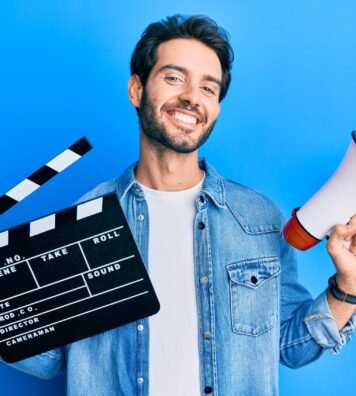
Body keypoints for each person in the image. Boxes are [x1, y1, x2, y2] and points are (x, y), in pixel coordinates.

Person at [7, 14, 356, 396]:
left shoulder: (258, 220)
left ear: (217, 107)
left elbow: (291, 348)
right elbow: (46, 358)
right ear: (137, 90)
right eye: (174, 78)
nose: (192, 96)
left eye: (209, 88)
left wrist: (348, 285)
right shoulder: (83, 220)